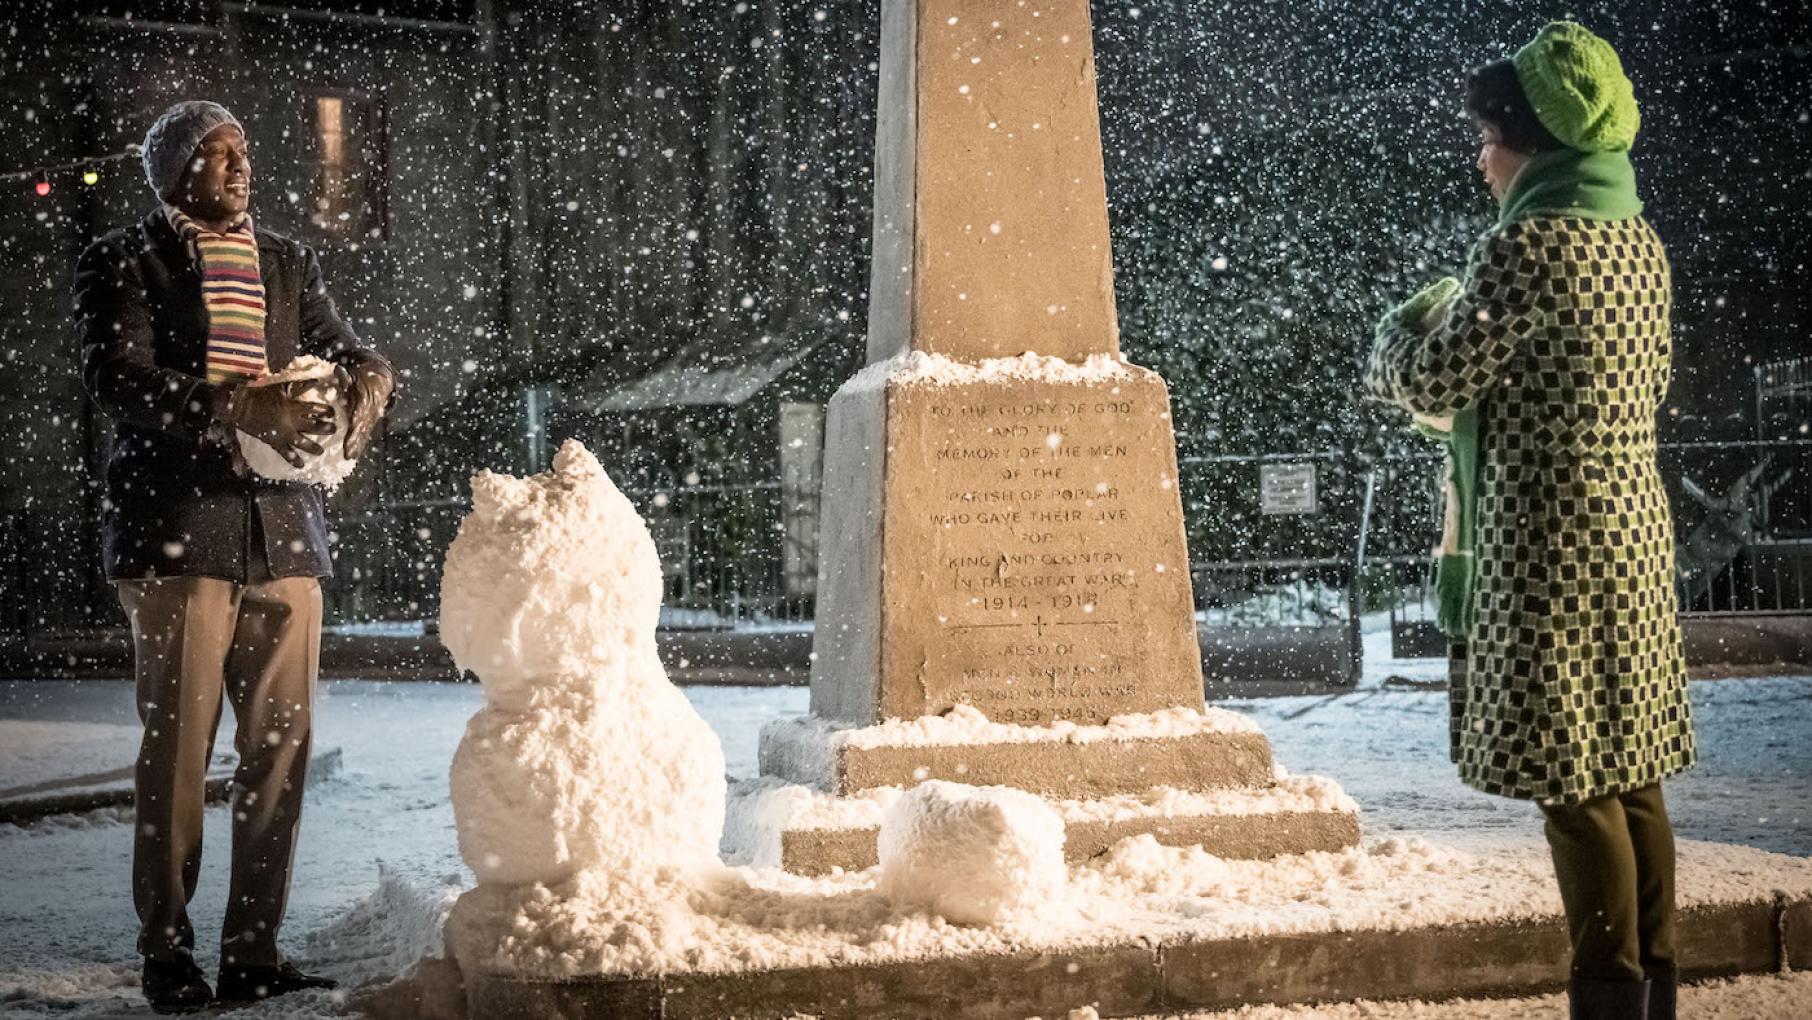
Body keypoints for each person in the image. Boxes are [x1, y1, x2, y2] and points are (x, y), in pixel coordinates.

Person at [1363, 23, 1695, 1020]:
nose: (1481, 158)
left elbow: (1435, 375)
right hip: (1631, 534)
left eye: (1489, 136)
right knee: (1632, 774)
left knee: (1573, 781)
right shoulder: (1639, 242)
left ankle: (1608, 998)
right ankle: (1656, 993)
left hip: (1547, 544)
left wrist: (1400, 326)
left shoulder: (1526, 247)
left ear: (1534, 146)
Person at [73, 100, 396, 1014]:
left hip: (285, 532)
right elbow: (117, 379)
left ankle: (254, 951)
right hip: (179, 532)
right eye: (212, 153)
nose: (234, 165)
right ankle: (167, 957)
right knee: (178, 751)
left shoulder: (288, 259)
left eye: (242, 151)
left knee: (281, 750)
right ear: (173, 169)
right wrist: (236, 406)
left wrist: (371, 375)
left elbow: (342, 344)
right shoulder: (122, 259)